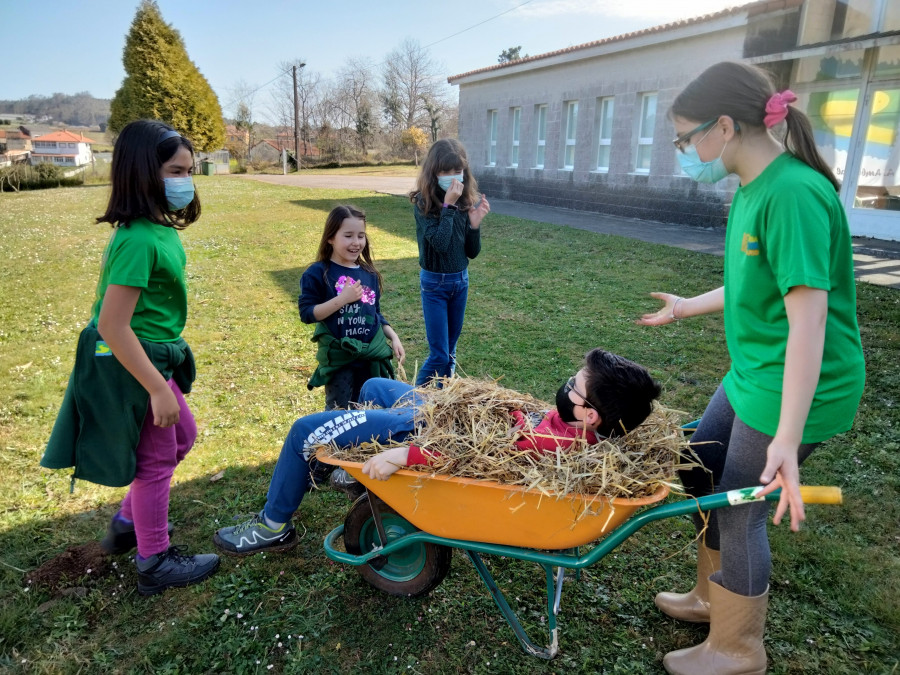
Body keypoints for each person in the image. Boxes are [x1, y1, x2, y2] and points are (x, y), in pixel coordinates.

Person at [637, 62, 865, 675]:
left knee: (740, 508)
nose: (684, 152)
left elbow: (809, 323)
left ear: (726, 128)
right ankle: (712, 596)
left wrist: (788, 438)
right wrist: (687, 306)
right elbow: (749, 284)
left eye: (686, 139)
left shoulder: (792, 195)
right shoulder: (751, 187)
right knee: (702, 466)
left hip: (796, 385)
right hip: (754, 373)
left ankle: (736, 648)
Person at [213, 348, 661, 556]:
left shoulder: (555, 443)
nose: (567, 385)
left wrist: (402, 456)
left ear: (590, 416)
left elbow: (467, 456)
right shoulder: (575, 428)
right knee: (374, 386)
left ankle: (272, 526)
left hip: (429, 431)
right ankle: (357, 473)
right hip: (445, 413)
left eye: (575, 387)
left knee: (303, 432)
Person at [41, 120, 220, 596]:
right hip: (131, 363)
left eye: (190, 171)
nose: (186, 181)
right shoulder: (138, 239)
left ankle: (126, 523)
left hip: (150, 355)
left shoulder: (157, 230)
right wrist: (157, 388)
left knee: (183, 436)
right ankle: (154, 560)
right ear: (143, 172)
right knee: (159, 458)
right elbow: (112, 326)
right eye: (175, 171)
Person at [299, 204, 406, 410]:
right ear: (331, 237)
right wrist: (342, 299)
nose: (356, 243)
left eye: (361, 236)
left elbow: (375, 313)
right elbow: (307, 314)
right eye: (348, 236)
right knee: (340, 414)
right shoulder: (318, 273)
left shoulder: (369, 274)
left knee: (371, 411)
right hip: (341, 361)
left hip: (370, 358)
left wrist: (393, 337)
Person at [408, 139, 491, 386]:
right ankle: (410, 405)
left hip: (460, 282)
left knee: (450, 353)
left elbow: (471, 252)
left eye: (457, 171)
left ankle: (442, 404)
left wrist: (474, 225)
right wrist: (448, 206)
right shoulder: (423, 203)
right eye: (445, 171)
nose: (452, 177)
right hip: (434, 284)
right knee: (439, 355)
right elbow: (441, 244)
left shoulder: (464, 203)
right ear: (434, 172)